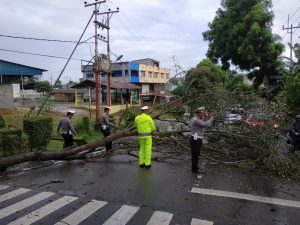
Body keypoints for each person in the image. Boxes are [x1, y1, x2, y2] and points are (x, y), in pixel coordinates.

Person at [190, 106, 217, 173]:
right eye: (203, 113)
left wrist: (207, 116)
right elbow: (206, 124)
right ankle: (195, 169)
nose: (204, 114)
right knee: (195, 154)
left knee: (196, 154)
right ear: (198, 113)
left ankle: (195, 167)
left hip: (197, 139)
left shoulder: (198, 118)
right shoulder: (196, 120)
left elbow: (204, 121)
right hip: (195, 139)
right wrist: (212, 117)